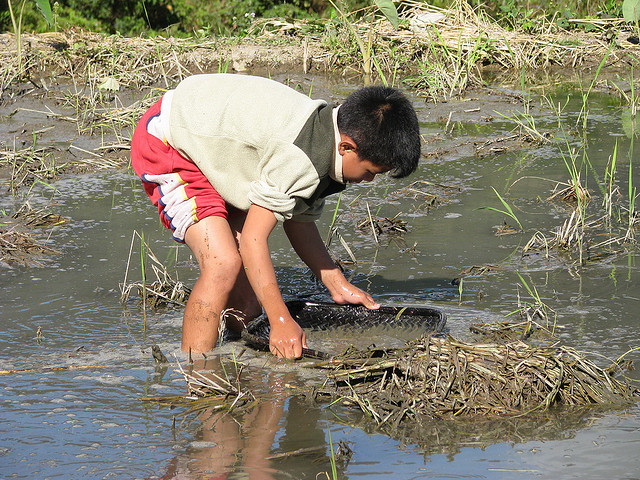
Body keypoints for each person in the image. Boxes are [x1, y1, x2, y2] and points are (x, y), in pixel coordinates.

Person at [130, 74, 421, 359]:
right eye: (370, 172)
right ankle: (199, 378)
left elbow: (300, 220)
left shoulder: (326, 143)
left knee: (248, 310)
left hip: (216, 144)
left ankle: (237, 361)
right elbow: (254, 240)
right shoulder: (302, 159)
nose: (369, 181)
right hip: (170, 140)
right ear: (346, 146)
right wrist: (281, 321)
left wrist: (335, 282)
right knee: (223, 263)